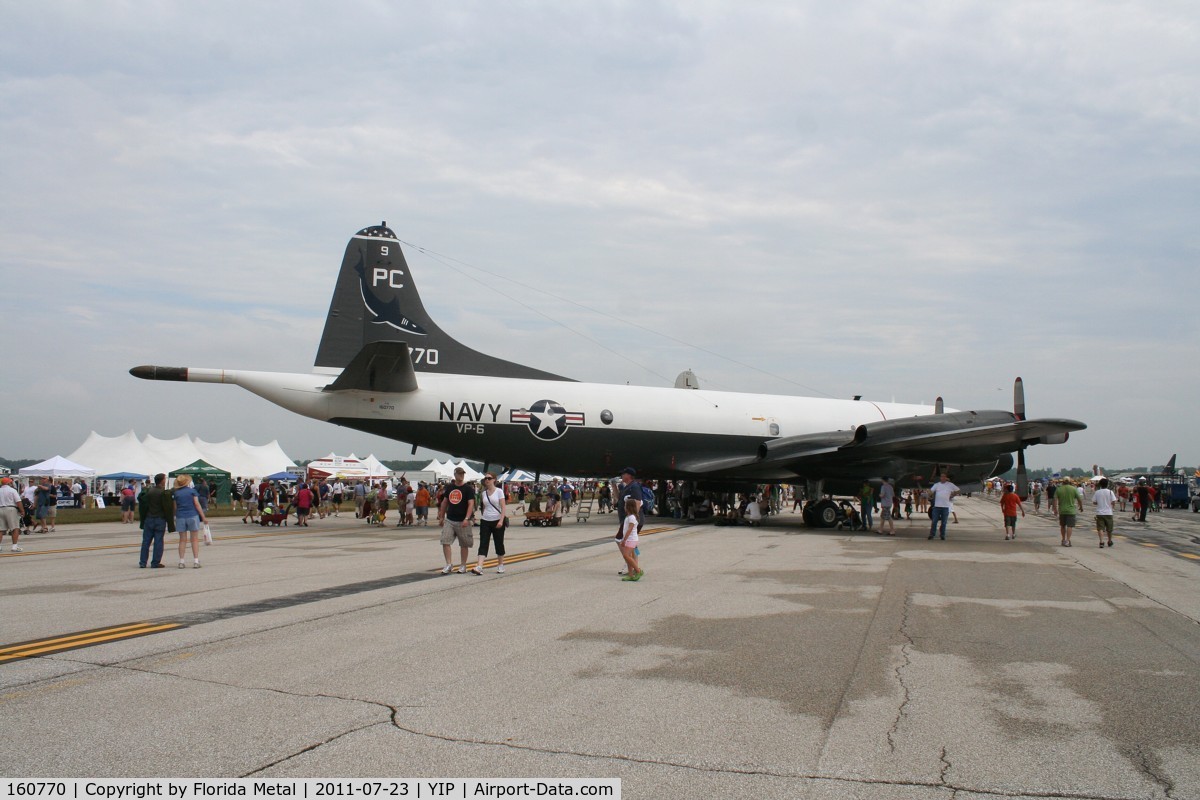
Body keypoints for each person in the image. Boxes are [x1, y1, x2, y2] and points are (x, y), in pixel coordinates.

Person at [438, 466, 475, 574]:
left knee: (464, 544)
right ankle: (449, 564)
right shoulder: (450, 487)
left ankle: (463, 565)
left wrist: (467, 518)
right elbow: (445, 502)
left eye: (463, 473)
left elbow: (471, 504)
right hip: (450, 519)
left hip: (462, 520)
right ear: (455, 475)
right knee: (445, 541)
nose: (461, 475)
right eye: (459, 474)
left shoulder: (468, 489)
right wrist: (441, 516)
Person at [471, 473, 508, 575]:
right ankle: (479, 566)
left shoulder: (499, 492)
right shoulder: (484, 493)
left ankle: (500, 565)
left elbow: (503, 507)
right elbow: (484, 507)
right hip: (485, 520)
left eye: (489, 478)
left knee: (499, 542)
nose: (487, 480)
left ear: (494, 480)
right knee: (483, 542)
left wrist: (501, 520)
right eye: (485, 478)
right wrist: (483, 517)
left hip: (497, 520)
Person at [137, 473, 175, 568]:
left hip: (149, 518)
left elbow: (143, 503)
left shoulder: (149, 491)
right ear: (162, 481)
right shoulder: (163, 493)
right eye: (164, 479)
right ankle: (155, 562)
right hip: (160, 519)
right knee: (158, 541)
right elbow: (168, 508)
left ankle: (143, 562)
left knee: (146, 541)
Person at [173, 474, 208, 568]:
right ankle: (196, 561)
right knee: (194, 539)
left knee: (182, 540)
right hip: (192, 515)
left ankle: (181, 561)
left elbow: (175, 507)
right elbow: (197, 504)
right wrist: (203, 517)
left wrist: (174, 516)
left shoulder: (176, 493)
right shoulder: (192, 491)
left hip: (180, 516)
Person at [617, 497, 642, 581]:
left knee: (626, 556)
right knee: (628, 557)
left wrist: (624, 540)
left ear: (628, 507)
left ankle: (638, 571)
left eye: (625, 505)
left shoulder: (631, 517)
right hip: (629, 539)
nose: (624, 507)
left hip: (631, 539)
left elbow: (630, 529)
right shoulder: (629, 516)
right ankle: (630, 575)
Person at [928, 473, 959, 540]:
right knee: (934, 521)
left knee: (944, 522)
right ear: (940, 478)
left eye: (944, 476)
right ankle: (932, 534)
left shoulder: (950, 485)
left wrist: (953, 495)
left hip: (945, 507)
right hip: (937, 507)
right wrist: (929, 492)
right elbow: (931, 491)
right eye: (942, 476)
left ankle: (942, 535)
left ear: (946, 478)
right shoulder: (937, 485)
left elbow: (958, 490)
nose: (943, 478)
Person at [1054, 480, 1081, 546]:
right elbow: (1079, 498)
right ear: (1070, 482)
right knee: (1070, 526)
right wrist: (1081, 506)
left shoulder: (1059, 489)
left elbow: (1055, 499)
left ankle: (1063, 539)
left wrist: (1055, 509)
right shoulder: (1073, 489)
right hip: (1071, 511)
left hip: (1062, 510)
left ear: (1063, 482)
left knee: (1063, 525)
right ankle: (1068, 540)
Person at [0, 477, 24, 553]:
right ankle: (14, 546)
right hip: (11, 509)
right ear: (9, 483)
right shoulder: (12, 490)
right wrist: (22, 510)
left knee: (1, 529)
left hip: (0, 509)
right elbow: (18, 501)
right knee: (15, 528)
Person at [1093, 477, 1117, 548]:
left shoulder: (1097, 492)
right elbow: (1113, 501)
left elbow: (1094, 502)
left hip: (1100, 513)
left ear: (1100, 485)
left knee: (1100, 528)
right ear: (1107, 484)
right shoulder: (1110, 492)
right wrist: (1112, 506)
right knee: (1109, 528)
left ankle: (1101, 542)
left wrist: (1099, 503)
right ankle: (1109, 541)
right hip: (1109, 512)